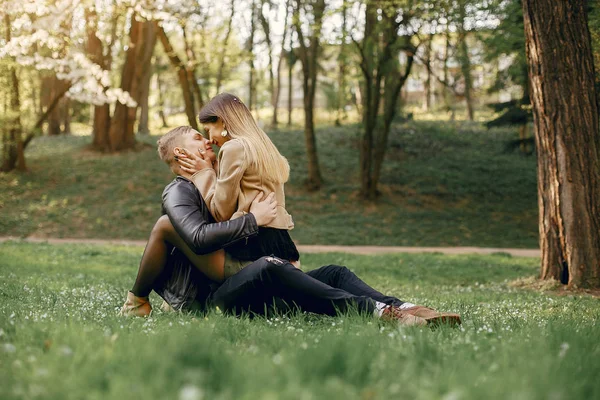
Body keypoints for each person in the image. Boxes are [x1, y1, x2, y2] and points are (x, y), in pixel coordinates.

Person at [120, 127, 461, 327]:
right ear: (181, 152)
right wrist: (254, 220)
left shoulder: (213, 187)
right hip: (213, 301)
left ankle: (406, 308)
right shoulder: (179, 192)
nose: (207, 141)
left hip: (241, 285)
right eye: (198, 138)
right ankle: (381, 314)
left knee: (335, 272)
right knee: (270, 267)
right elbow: (198, 238)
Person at [177, 93, 299, 268]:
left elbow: (222, 212)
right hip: (280, 239)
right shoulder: (264, 147)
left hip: (253, 242)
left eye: (208, 129)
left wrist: (204, 173)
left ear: (222, 122)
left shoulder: (233, 148)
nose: (210, 139)